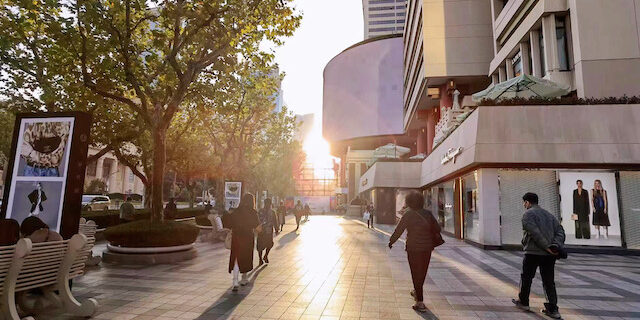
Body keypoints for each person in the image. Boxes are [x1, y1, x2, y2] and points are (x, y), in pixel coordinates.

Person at [512, 192, 565, 320]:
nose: (524, 205)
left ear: (528, 202)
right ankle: (553, 309)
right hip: (549, 255)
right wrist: (554, 246)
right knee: (548, 281)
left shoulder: (528, 214)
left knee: (526, 277)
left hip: (533, 252)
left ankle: (524, 302)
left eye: (524, 202)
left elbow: (534, 233)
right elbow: (560, 231)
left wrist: (547, 246)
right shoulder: (549, 215)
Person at [388, 192, 442, 313]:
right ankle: (417, 291)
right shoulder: (428, 214)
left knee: (415, 272)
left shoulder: (408, 215)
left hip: (413, 248)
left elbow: (399, 230)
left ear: (409, 202)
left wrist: (392, 241)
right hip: (427, 248)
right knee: (422, 272)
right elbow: (438, 228)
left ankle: (420, 301)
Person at [222, 193, 261, 291]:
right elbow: (258, 227)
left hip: (236, 237)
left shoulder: (236, 211)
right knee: (246, 258)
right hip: (248, 238)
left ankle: (235, 281)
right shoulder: (253, 212)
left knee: (236, 258)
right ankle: (244, 278)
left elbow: (229, 223)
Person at [257, 198, 279, 266]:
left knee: (270, 244)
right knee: (260, 246)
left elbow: (275, 221)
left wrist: (276, 229)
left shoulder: (272, 212)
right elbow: (257, 220)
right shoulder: (260, 211)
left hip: (268, 232)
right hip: (261, 231)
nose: (268, 205)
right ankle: (260, 259)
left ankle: (265, 255)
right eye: (267, 203)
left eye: (268, 204)